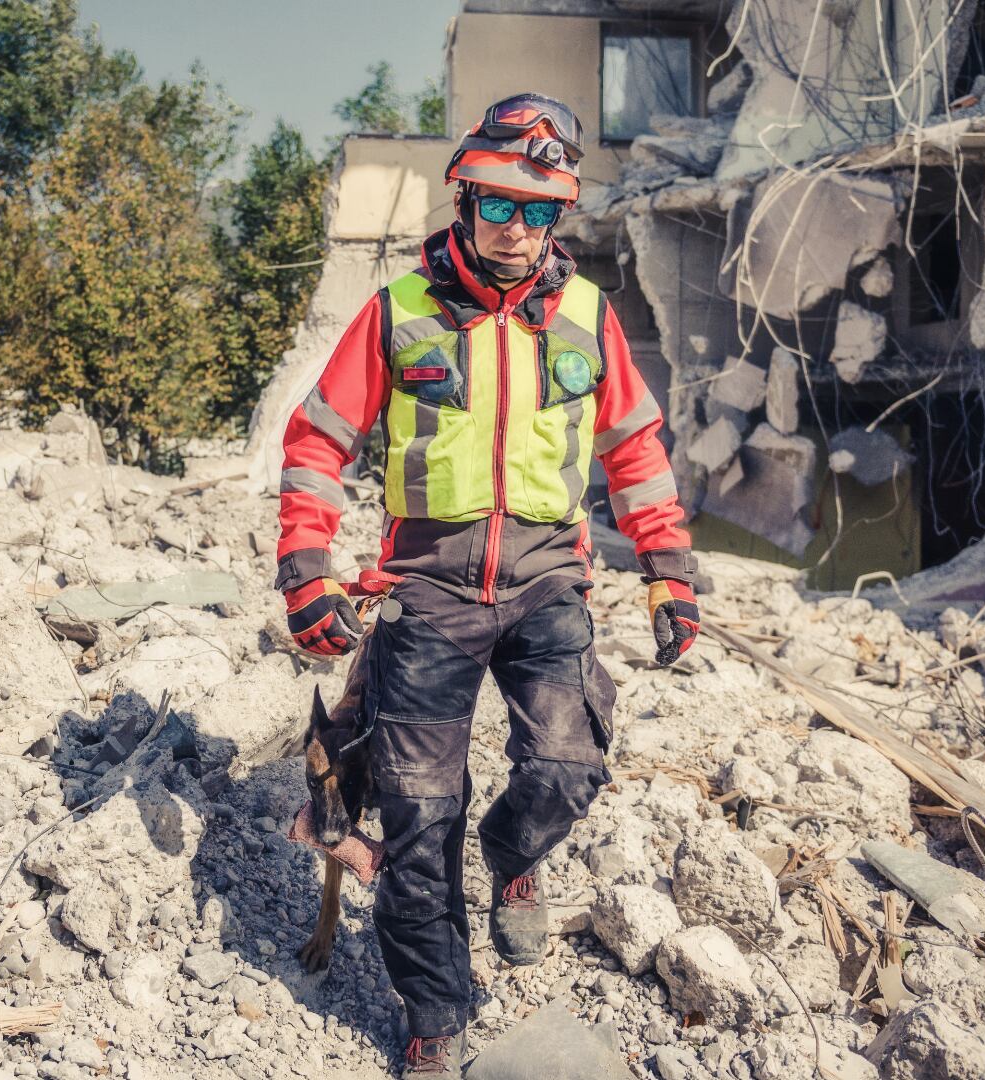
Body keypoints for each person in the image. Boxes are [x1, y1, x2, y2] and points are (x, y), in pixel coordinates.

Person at [274, 92, 701, 1076]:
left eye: (540, 211)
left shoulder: (589, 317)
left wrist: (669, 577)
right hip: (425, 590)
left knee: (567, 766)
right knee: (421, 811)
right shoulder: (398, 312)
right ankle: (435, 1007)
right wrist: (307, 572)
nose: (518, 231)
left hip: (549, 580)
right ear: (465, 197)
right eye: (501, 205)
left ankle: (514, 859)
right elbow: (316, 444)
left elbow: (635, 452)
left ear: (560, 217)